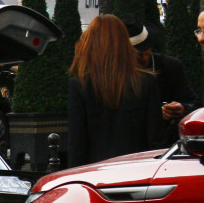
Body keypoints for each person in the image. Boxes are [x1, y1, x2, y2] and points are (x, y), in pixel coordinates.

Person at [67, 14, 164, 166]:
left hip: (95, 173)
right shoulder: (146, 82)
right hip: (137, 171)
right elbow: (156, 138)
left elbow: (77, 143)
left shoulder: (80, 85)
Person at [122, 16, 195, 145]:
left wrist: (182, 109)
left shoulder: (170, 67)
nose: (144, 57)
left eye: (146, 50)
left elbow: (192, 104)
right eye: (137, 54)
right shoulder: (115, 76)